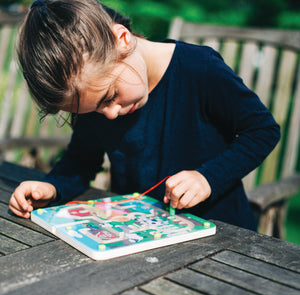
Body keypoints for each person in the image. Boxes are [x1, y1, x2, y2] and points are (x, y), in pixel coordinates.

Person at [9, 0, 280, 231]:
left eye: (110, 97)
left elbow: (262, 130)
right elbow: (81, 161)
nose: (110, 115)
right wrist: (52, 188)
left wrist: (207, 178)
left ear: (123, 40)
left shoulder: (199, 69)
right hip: (138, 235)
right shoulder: (95, 95)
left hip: (222, 235)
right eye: (95, 110)